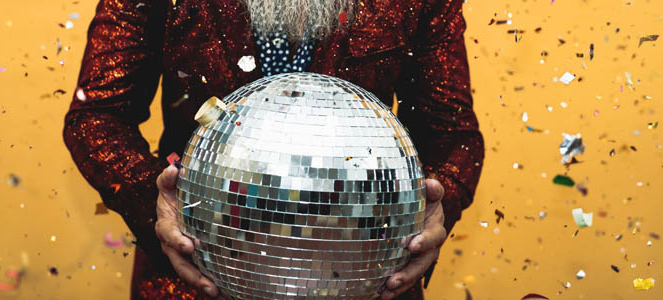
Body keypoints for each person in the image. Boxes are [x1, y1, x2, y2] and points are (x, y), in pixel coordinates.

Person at [62, 0, 484, 299]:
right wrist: (157, 202)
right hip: (197, 275)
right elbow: (97, 115)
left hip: (363, 275)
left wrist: (432, 203)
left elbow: (454, 135)